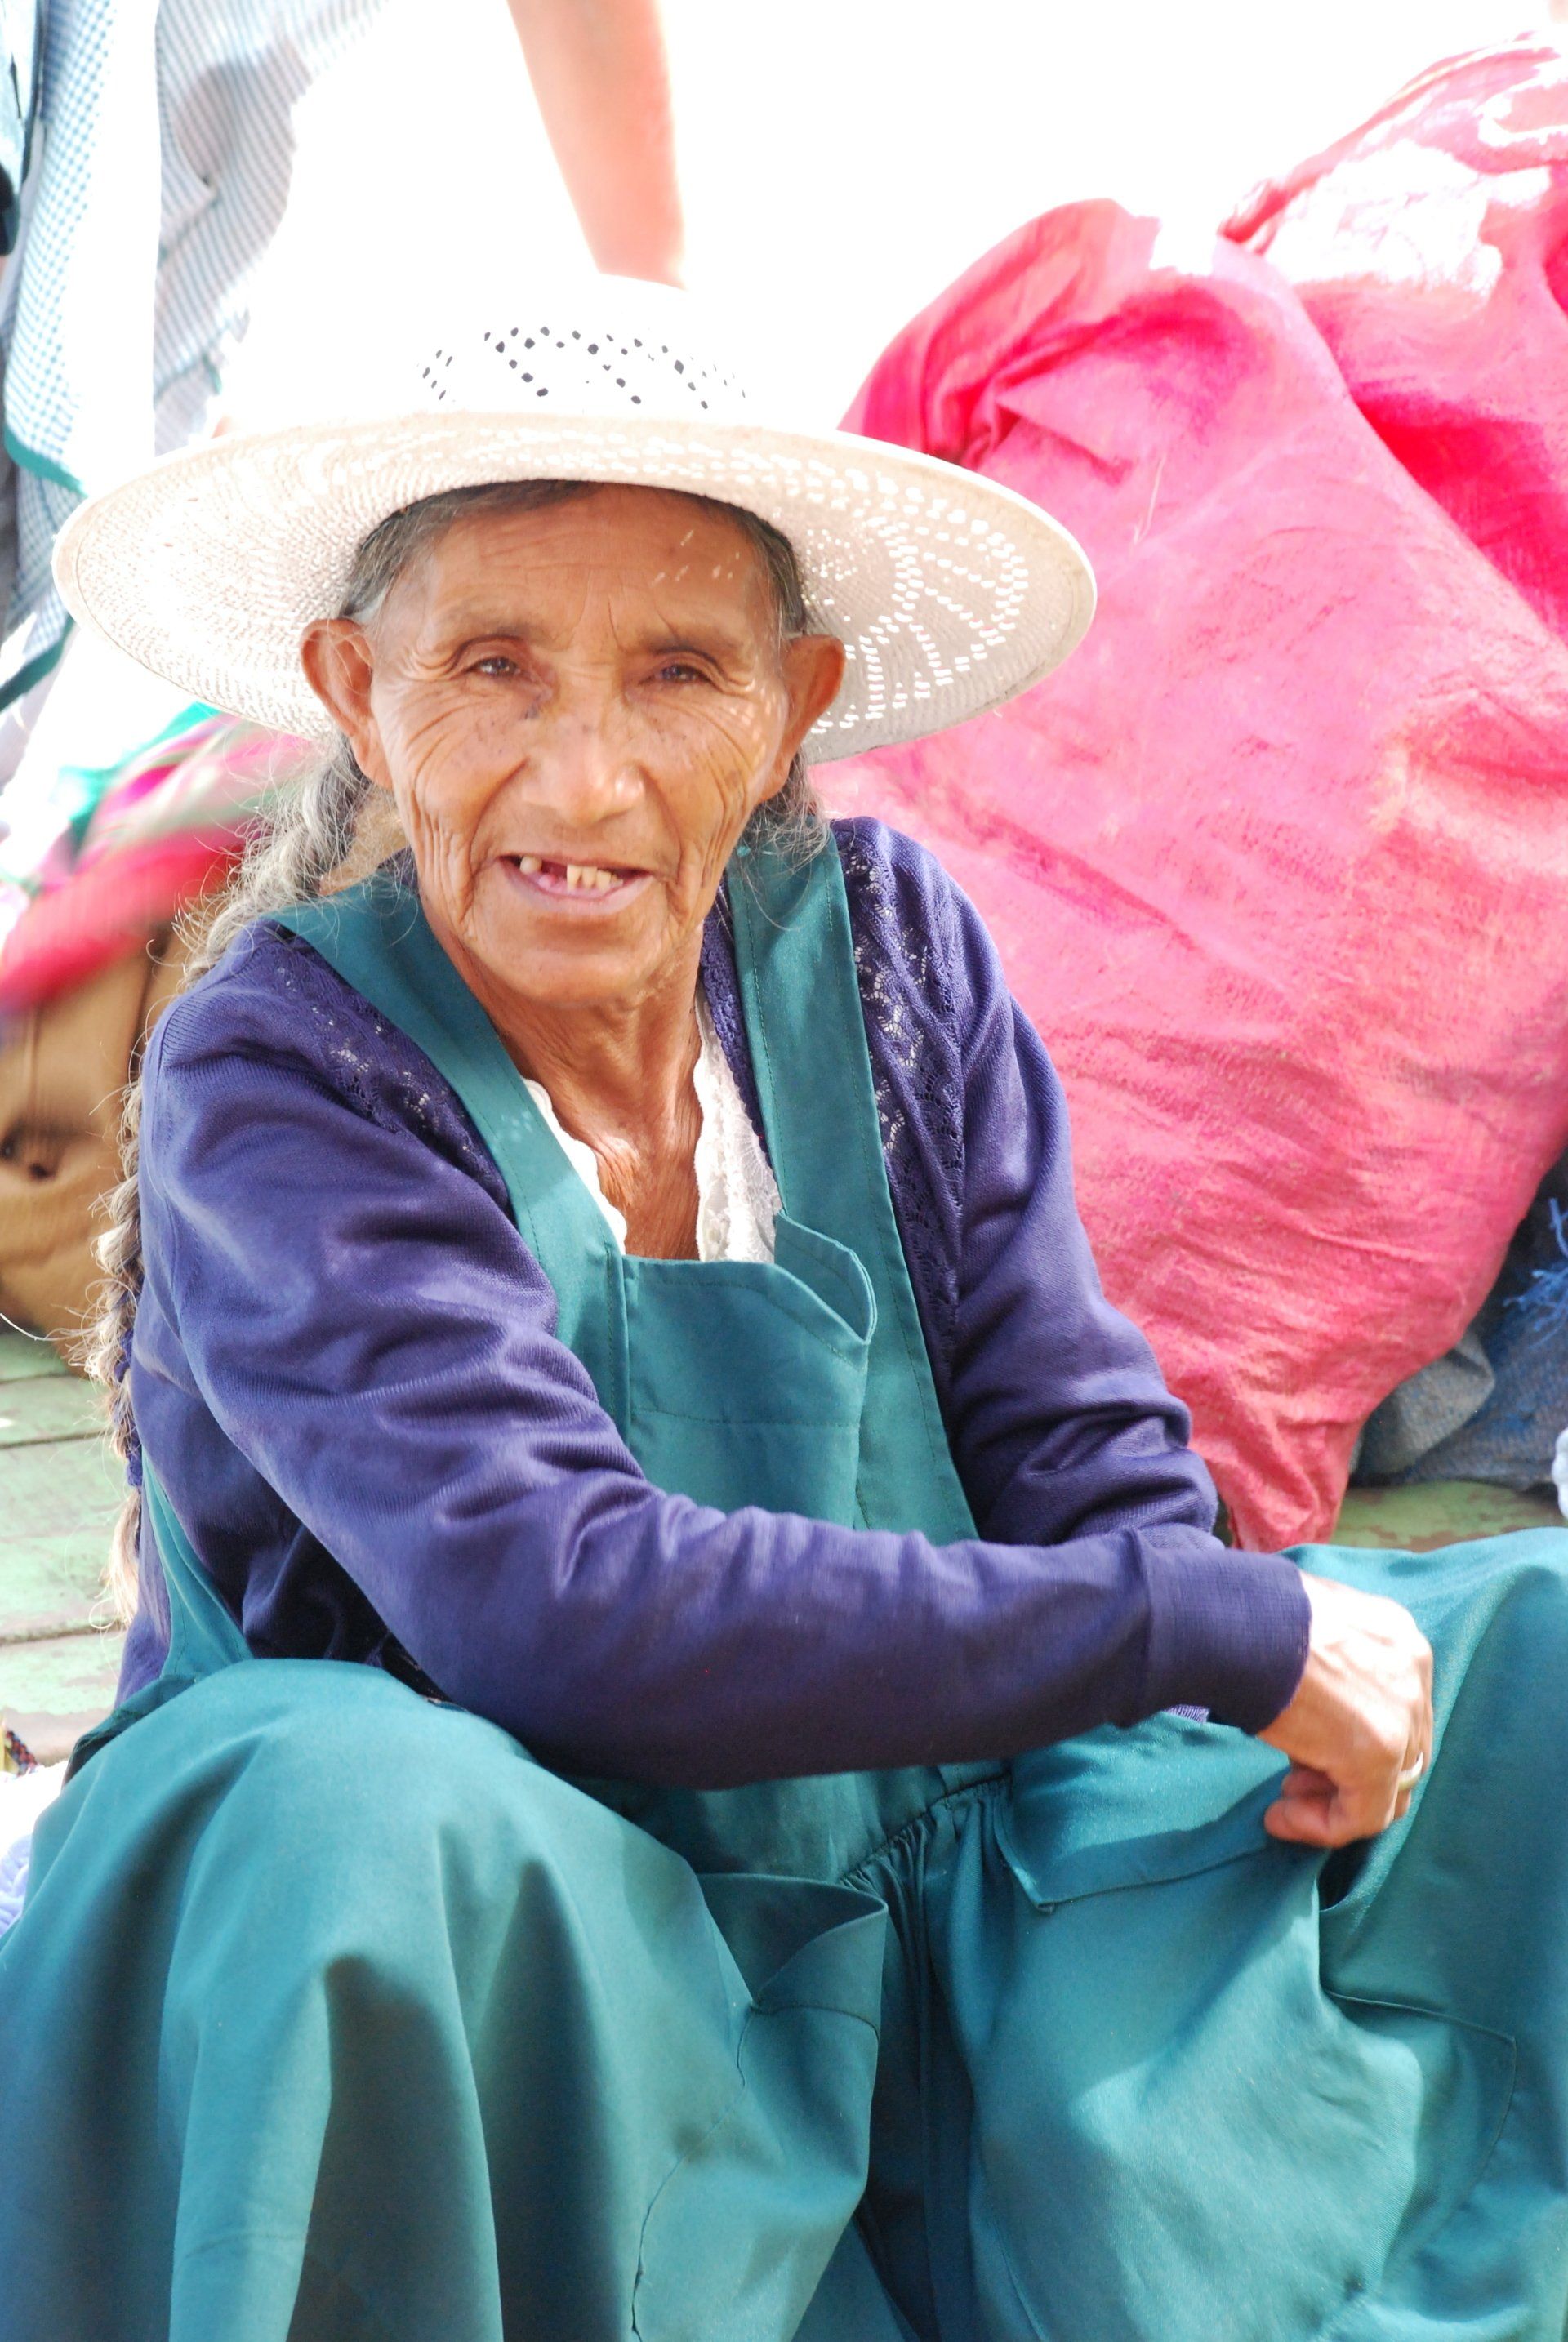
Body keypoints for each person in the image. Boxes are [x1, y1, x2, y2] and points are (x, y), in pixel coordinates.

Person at [1, 276, 1563, 2342]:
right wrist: (1208, 1625)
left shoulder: (896, 952)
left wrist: (1228, 1675)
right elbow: (560, 1609)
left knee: (1525, 1654)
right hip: (526, 1944)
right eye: (492, 667)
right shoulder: (281, 1074)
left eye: (675, 673)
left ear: (797, 698)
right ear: (355, 695)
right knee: (343, 1810)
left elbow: (1088, 1471)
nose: (584, 780)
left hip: (903, 1854)